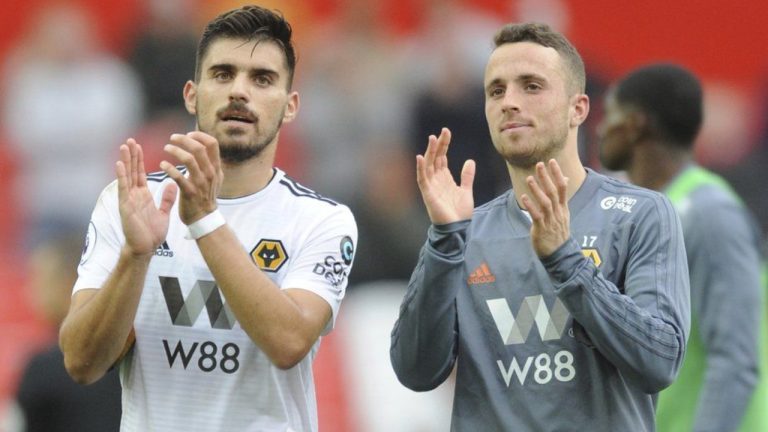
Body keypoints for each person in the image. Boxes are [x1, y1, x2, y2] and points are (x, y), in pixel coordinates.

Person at [58, 6, 357, 432]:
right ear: (191, 95)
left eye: (262, 79)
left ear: (290, 107)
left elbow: (289, 342)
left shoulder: (321, 220)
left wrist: (204, 221)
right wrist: (135, 256)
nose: (240, 91)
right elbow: (82, 362)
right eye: (222, 73)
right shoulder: (129, 202)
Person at [390, 22, 690, 431]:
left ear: (578, 108)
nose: (509, 102)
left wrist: (566, 260)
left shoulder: (640, 214)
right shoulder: (464, 231)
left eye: (531, 86)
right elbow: (415, 372)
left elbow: (660, 361)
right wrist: (443, 240)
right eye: (496, 90)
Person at [597, 63, 768, 432]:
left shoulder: (709, 214)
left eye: (609, 117)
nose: (599, 129)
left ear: (636, 126)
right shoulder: (652, 210)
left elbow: (736, 361)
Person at [9, 233, 122, 432]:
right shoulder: (127, 350)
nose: (30, 292)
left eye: (41, 280)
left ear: (71, 282)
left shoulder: (43, 367)